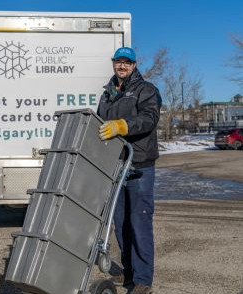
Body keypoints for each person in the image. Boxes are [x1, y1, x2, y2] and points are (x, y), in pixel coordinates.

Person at [97, 47, 161, 294]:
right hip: (117, 167)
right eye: (118, 62)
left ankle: (143, 281)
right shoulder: (107, 94)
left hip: (140, 167)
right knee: (121, 225)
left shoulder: (146, 90)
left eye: (127, 62)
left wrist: (123, 125)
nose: (122, 66)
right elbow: (101, 124)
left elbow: (149, 118)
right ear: (113, 64)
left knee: (139, 224)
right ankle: (130, 275)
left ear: (134, 65)